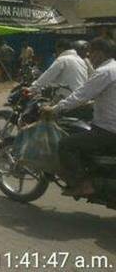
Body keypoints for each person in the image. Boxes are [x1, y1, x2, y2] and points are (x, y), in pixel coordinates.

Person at [50, 37, 116, 197]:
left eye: (90, 53)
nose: (88, 57)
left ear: (99, 53)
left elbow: (80, 95)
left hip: (108, 131)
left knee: (66, 145)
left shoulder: (104, 71)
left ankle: (83, 184)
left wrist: (55, 108)